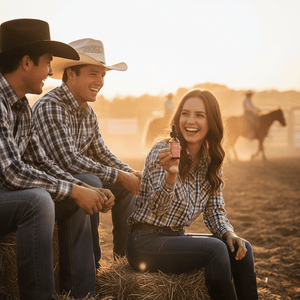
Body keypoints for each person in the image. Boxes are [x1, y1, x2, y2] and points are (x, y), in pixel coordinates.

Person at [0, 19, 115, 299]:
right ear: (27, 62)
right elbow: (13, 173)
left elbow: (39, 161)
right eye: (48, 62)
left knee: (78, 190)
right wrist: (75, 189)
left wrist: (83, 189)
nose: (51, 72)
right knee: (37, 201)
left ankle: (81, 292)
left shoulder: (20, 107)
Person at [126, 89, 258, 300]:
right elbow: (155, 209)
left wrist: (229, 233)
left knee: (243, 248)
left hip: (174, 237)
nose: (190, 121)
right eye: (185, 114)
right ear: (178, 118)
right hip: (145, 242)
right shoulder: (164, 151)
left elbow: (215, 210)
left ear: (211, 121)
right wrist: (171, 175)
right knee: (215, 250)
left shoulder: (210, 159)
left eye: (200, 115)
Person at [31, 38, 142, 261]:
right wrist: (120, 175)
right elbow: (67, 161)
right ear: (71, 74)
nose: (100, 81)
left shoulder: (87, 111)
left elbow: (101, 152)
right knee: (91, 181)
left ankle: (127, 259)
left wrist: (129, 173)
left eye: (103, 75)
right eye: (94, 74)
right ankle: (93, 264)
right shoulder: (51, 105)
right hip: (49, 183)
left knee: (125, 187)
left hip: (74, 177)